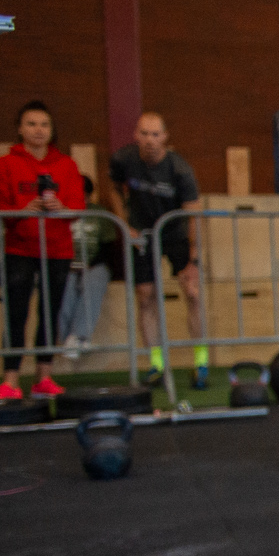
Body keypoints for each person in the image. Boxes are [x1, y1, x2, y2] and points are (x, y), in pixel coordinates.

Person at [0, 101, 84, 401]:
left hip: (57, 250)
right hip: (20, 248)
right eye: (31, 124)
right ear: (20, 128)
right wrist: (23, 209)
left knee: (50, 313)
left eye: (44, 124)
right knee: (15, 313)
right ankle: (10, 381)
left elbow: (77, 208)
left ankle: (44, 377)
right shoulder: (4, 165)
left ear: (52, 130)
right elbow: (1, 209)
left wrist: (61, 208)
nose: (38, 130)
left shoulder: (67, 166)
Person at [105, 112, 208, 389]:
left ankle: (201, 363)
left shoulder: (180, 170)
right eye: (144, 134)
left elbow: (194, 215)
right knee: (146, 297)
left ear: (165, 138)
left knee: (193, 293)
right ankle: (156, 364)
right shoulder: (123, 160)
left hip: (176, 235)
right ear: (136, 135)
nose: (150, 140)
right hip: (144, 235)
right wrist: (125, 224)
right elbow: (113, 188)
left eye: (155, 134)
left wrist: (194, 258)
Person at [59, 176, 114, 354]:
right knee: (64, 288)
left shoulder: (99, 213)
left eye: (85, 196)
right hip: (65, 263)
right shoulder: (60, 213)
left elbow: (108, 246)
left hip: (94, 264)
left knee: (93, 282)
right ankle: (67, 338)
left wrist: (90, 264)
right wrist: (68, 265)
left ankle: (80, 336)